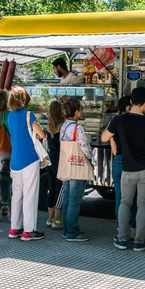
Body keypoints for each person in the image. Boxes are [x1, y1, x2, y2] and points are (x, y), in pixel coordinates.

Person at [101, 87, 145, 252]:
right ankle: (139, 241)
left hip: (127, 169)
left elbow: (104, 137)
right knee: (143, 204)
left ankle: (122, 239)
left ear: (131, 102)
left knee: (124, 203)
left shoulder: (119, 120)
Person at [7, 86, 46, 241]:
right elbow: (41, 134)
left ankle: (14, 228)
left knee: (16, 195)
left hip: (15, 160)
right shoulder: (29, 115)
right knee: (30, 195)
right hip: (30, 159)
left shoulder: (10, 116)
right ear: (24, 100)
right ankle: (28, 231)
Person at [59, 98, 92, 242]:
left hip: (66, 166)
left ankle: (66, 229)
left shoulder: (64, 126)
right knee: (74, 200)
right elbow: (85, 147)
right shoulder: (78, 128)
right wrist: (90, 157)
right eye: (81, 109)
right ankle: (72, 232)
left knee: (67, 199)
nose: (82, 112)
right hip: (77, 167)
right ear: (77, 112)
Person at [108, 96, 138, 240]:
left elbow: (114, 150)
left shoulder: (114, 122)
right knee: (134, 200)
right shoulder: (135, 122)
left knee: (120, 200)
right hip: (132, 164)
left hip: (118, 162)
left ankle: (121, 232)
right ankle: (134, 231)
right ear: (129, 105)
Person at [45, 100, 65, 230]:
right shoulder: (62, 126)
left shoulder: (49, 126)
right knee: (60, 188)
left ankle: (50, 218)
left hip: (50, 159)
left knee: (51, 188)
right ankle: (57, 220)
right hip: (60, 160)